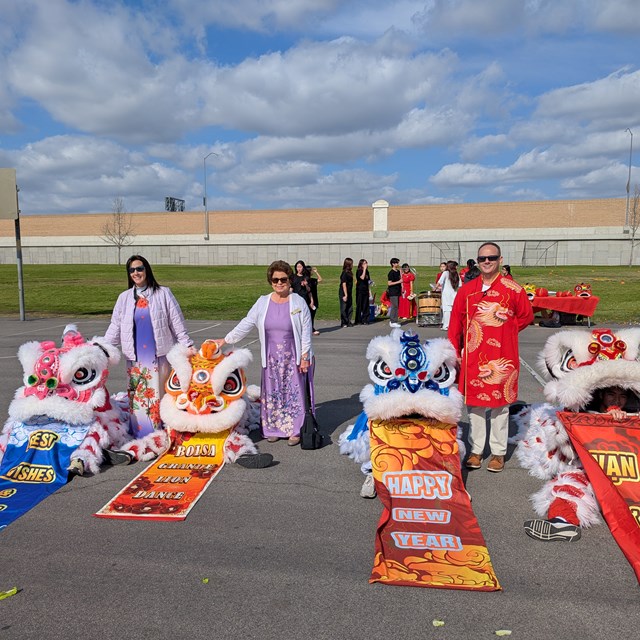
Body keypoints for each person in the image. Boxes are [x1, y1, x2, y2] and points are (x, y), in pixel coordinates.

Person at [448, 242, 533, 473]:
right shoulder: (467, 290)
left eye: (492, 258)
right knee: (474, 406)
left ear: (500, 259)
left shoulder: (513, 289)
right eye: (482, 258)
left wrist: (505, 331)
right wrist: (455, 351)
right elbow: (456, 322)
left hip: (501, 356)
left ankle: (498, 453)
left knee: (499, 407)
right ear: (477, 261)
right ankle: (476, 450)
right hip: (473, 357)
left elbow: (526, 316)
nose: (487, 262)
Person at [220, 260, 313, 446]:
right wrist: (225, 340)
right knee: (273, 394)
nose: (279, 283)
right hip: (271, 359)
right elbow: (247, 323)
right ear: (270, 281)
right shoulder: (263, 302)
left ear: (290, 279)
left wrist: (304, 357)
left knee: (293, 394)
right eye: (275, 279)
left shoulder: (298, 302)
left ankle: (294, 430)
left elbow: (305, 332)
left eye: (283, 279)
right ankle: (273, 428)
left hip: (292, 358)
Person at [104, 255, 196, 437]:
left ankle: (162, 431)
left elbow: (177, 322)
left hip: (158, 356)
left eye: (139, 269)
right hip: (135, 358)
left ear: (147, 270)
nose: (136, 273)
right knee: (138, 397)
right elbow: (115, 326)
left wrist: (188, 345)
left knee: (158, 394)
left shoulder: (163, 293)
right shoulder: (124, 298)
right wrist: (102, 348)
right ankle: (141, 432)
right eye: (132, 270)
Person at [436, 260, 459, 331]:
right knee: (452, 310)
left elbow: (439, 282)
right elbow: (460, 284)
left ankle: (446, 325)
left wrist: (435, 288)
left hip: (446, 294)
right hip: (454, 294)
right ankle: (452, 325)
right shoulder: (456, 274)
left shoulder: (445, 273)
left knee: (446, 311)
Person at [354, 259, 371, 325]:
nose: (366, 264)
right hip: (360, 290)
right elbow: (362, 278)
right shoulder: (359, 271)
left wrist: (369, 291)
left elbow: (367, 281)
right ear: (361, 264)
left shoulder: (367, 271)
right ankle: (358, 320)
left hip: (365, 290)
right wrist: (364, 269)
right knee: (359, 305)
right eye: (364, 263)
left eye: (366, 263)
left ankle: (365, 319)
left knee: (366, 305)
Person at [307, 265, 322, 335]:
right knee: (310, 316)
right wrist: (316, 272)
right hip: (310, 300)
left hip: (313, 299)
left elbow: (320, 279)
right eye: (311, 270)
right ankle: (311, 329)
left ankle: (310, 328)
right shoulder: (308, 281)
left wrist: (316, 272)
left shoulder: (312, 280)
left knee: (311, 315)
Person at [387, 258, 402, 328]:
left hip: (398, 291)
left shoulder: (398, 272)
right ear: (393, 264)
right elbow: (389, 283)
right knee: (394, 306)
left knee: (396, 306)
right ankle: (392, 321)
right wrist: (398, 282)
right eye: (397, 263)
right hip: (393, 292)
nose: (398, 264)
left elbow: (401, 279)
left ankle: (395, 320)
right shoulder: (391, 273)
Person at [339, 257, 354, 328]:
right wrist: (345, 295)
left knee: (350, 307)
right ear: (348, 265)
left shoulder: (350, 273)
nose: (352, 265)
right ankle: (344, 322)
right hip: (344, 292)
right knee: (344, 308)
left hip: (349, 292)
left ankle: (348, 321)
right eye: (351, 264)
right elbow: (344, 284)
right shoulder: (344, 273)